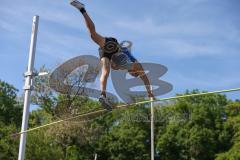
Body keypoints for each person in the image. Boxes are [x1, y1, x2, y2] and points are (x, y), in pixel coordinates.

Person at [70, 0, 154, 110]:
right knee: (93, 35)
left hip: (106, 53)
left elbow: (114, 66)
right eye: (134, 74)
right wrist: (150, 93)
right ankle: (82, 9)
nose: (132, 74)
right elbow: (145, 79)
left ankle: (102, 95)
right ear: (135, 72)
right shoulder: (135, 64)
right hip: (114, 46)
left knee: (105, 72)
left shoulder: (126, 67)